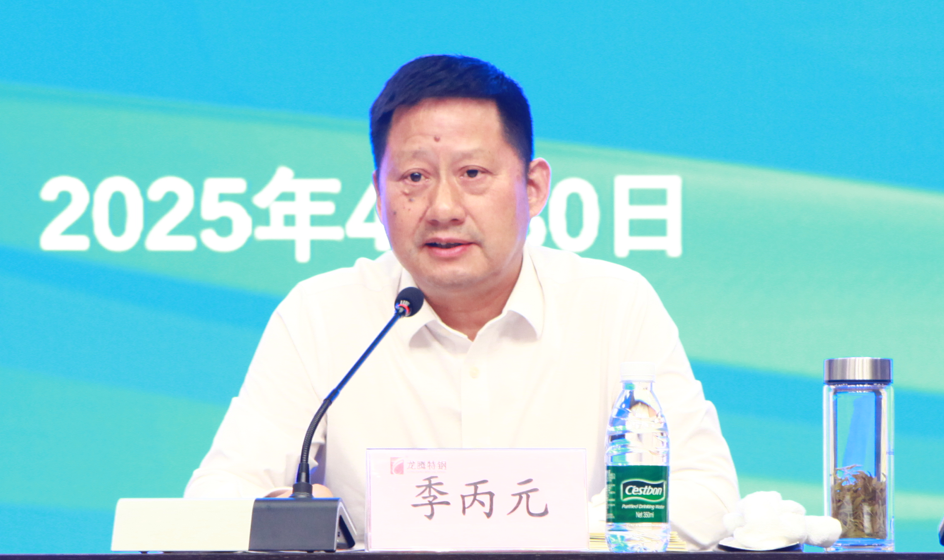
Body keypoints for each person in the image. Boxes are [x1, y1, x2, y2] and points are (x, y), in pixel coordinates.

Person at [185, 54, 739, 549]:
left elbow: (706, 493)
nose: (443, 207)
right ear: (378, 194)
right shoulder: (321, 315)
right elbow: (214, 497)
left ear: (533, 188)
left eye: (472, 173)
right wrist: (291, 518)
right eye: (414, 177)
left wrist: (560, 528)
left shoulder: (614, 306)